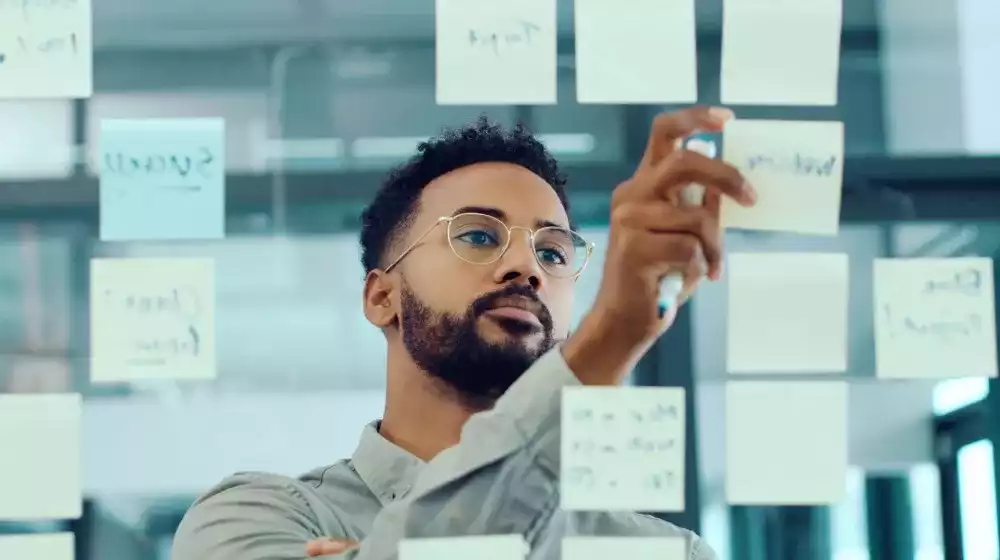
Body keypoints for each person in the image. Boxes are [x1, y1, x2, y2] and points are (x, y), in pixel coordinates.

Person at [171, 106, 756, 560]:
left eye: (553, 252)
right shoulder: (255, 518)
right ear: (381, 297)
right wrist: (610, 336)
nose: (526, 267)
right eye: (477, 236)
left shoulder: (665, 552)